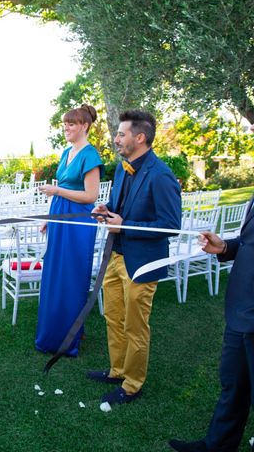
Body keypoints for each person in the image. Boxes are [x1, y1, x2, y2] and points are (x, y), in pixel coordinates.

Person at [87, 110, 181, 405]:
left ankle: (133, 383)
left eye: (121, 134)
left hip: (143, 262)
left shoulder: (162, 175)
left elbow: (171, 225)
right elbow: (119, 207)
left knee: (135, 325)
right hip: (115, 255)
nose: (116, 139)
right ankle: (117, 369)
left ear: (140, 138)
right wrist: (105, 209)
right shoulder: (121, 168)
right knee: (113, 316)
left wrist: (124, 224)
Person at [169, 161, 254, 449]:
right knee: (234, 385)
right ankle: (217, 446)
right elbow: (249, 241)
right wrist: (226, 247)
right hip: (241, 308)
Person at [35, 104, 104, 356]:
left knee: (71, 276)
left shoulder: (90, 155)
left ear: (84, 126)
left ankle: (68, 337)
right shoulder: (66, 152)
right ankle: (55, 332)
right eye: (65, 123)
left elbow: (91, 196)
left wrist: (57, 191)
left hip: (77, 222)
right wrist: (50, 218)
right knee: (55, 274)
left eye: (71, 123)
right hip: (60, 218)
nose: (66, 127)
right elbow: (63, 189)